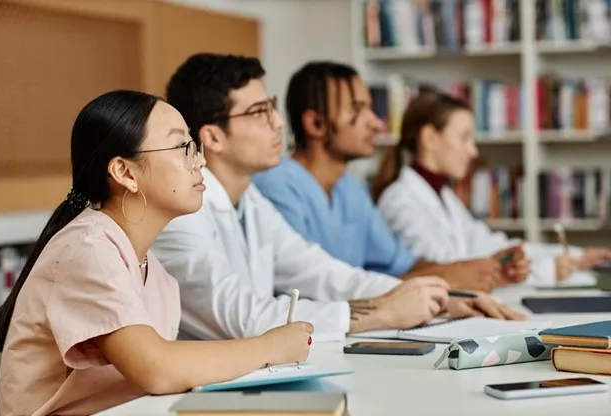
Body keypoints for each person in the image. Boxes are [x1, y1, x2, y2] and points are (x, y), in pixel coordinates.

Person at [153, 53, 523, 345]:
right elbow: (245, 318)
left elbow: (323, 273)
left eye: (273, 106)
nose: (279, 123)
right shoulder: (181, 214)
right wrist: (382, 312)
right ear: (213, 138)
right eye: (259, 112)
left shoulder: (250, 200)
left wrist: (439, 301)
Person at [0, 90, 313, 416]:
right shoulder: (88, 248)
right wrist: (270, 347)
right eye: (182, 147)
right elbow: (157, 369)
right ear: (125, 172)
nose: (200, 161)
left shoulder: (149, 266)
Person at [252, 61, 525, 292]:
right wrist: (447, 277)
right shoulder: (276, 186)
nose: (376, 121)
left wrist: (477, 268)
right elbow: (317, 288)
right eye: (358, 109)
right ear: (315, 124)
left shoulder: (349, 188)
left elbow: (402, 264)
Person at [371, 90, 611, 284]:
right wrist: (547, 269)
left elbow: (491, 245)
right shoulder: (399, 202)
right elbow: (448, 270)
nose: (473, 151)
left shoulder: (443, 196)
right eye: (464, 138)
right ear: (430, 138)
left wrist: (574, 257)